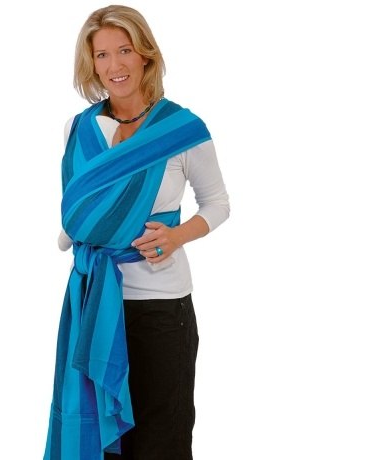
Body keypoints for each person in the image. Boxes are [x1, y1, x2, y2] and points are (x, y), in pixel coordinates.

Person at [43, 5, 230, 460]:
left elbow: (218, 204)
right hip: (92, 300)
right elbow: (78, 211)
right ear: (92, 64)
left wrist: (177, 236)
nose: (115, 65)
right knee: (104, 442)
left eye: (125, 50)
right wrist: (79, 234)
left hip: (161, 307)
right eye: (102, 55)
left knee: (161, 439)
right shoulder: (78, 129)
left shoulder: (182, 130)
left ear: (146, 54)